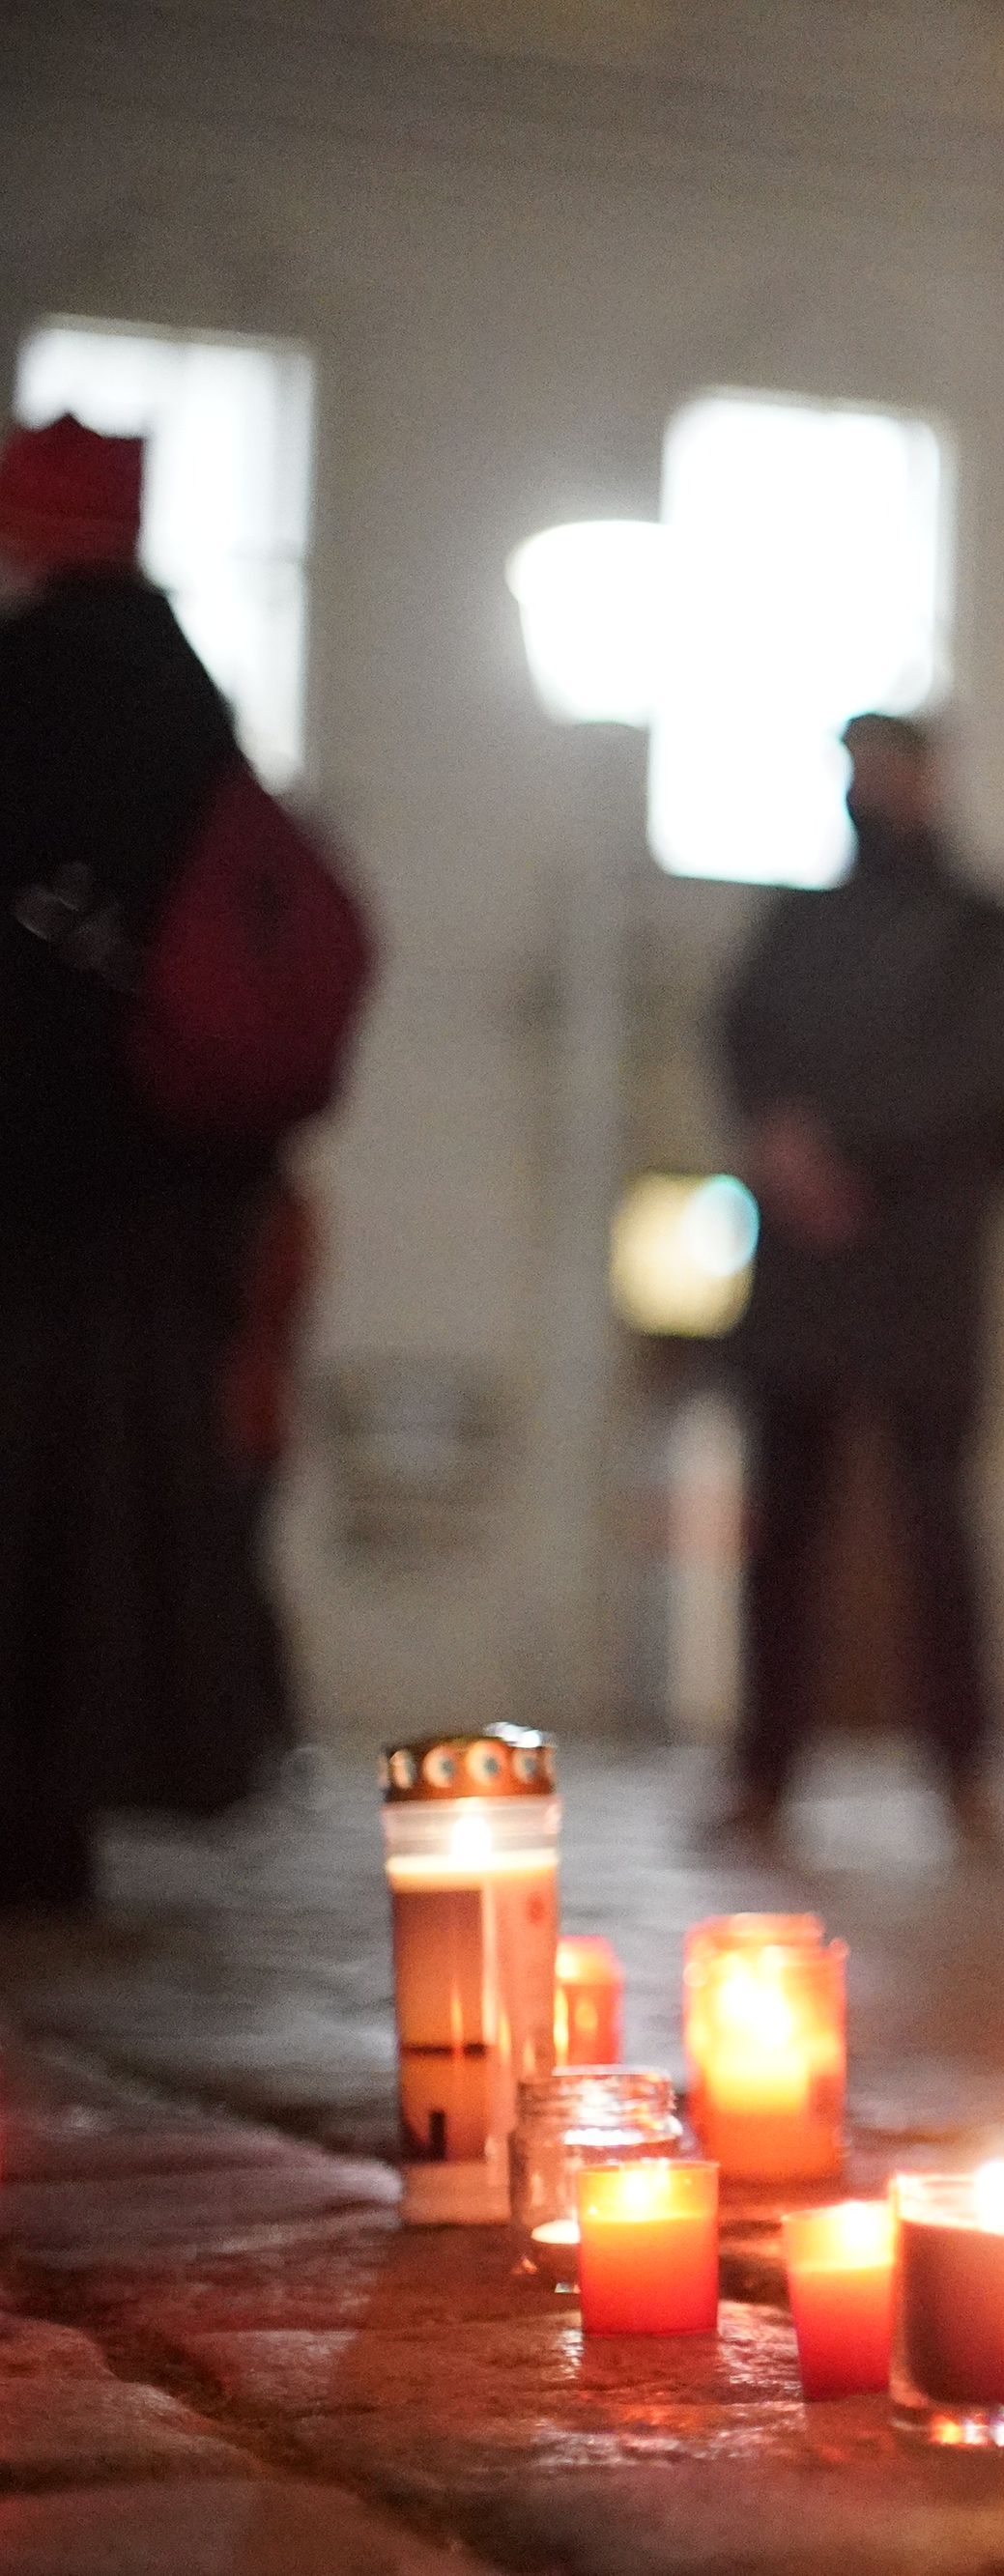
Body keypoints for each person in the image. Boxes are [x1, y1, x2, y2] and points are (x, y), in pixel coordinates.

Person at [0, 418, 315, 1911]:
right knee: (110, 1523)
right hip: (170, 1200)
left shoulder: (33, 691)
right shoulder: (189, 699)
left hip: (41, 1188)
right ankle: (65, 1807)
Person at [713, 713, 1004, 1855]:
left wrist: (851, 1157)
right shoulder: (797, 926)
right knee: (783, 1527)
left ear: (930, 780)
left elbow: (988, 1081)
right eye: (855, 770)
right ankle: (762, 1771)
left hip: (921, 1265)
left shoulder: (984, 933)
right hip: (805, 1263)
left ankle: (966, 1772)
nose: (870, 790)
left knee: (936, 1526)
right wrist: (787, 1151)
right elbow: (743, 1042)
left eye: (889, 769)